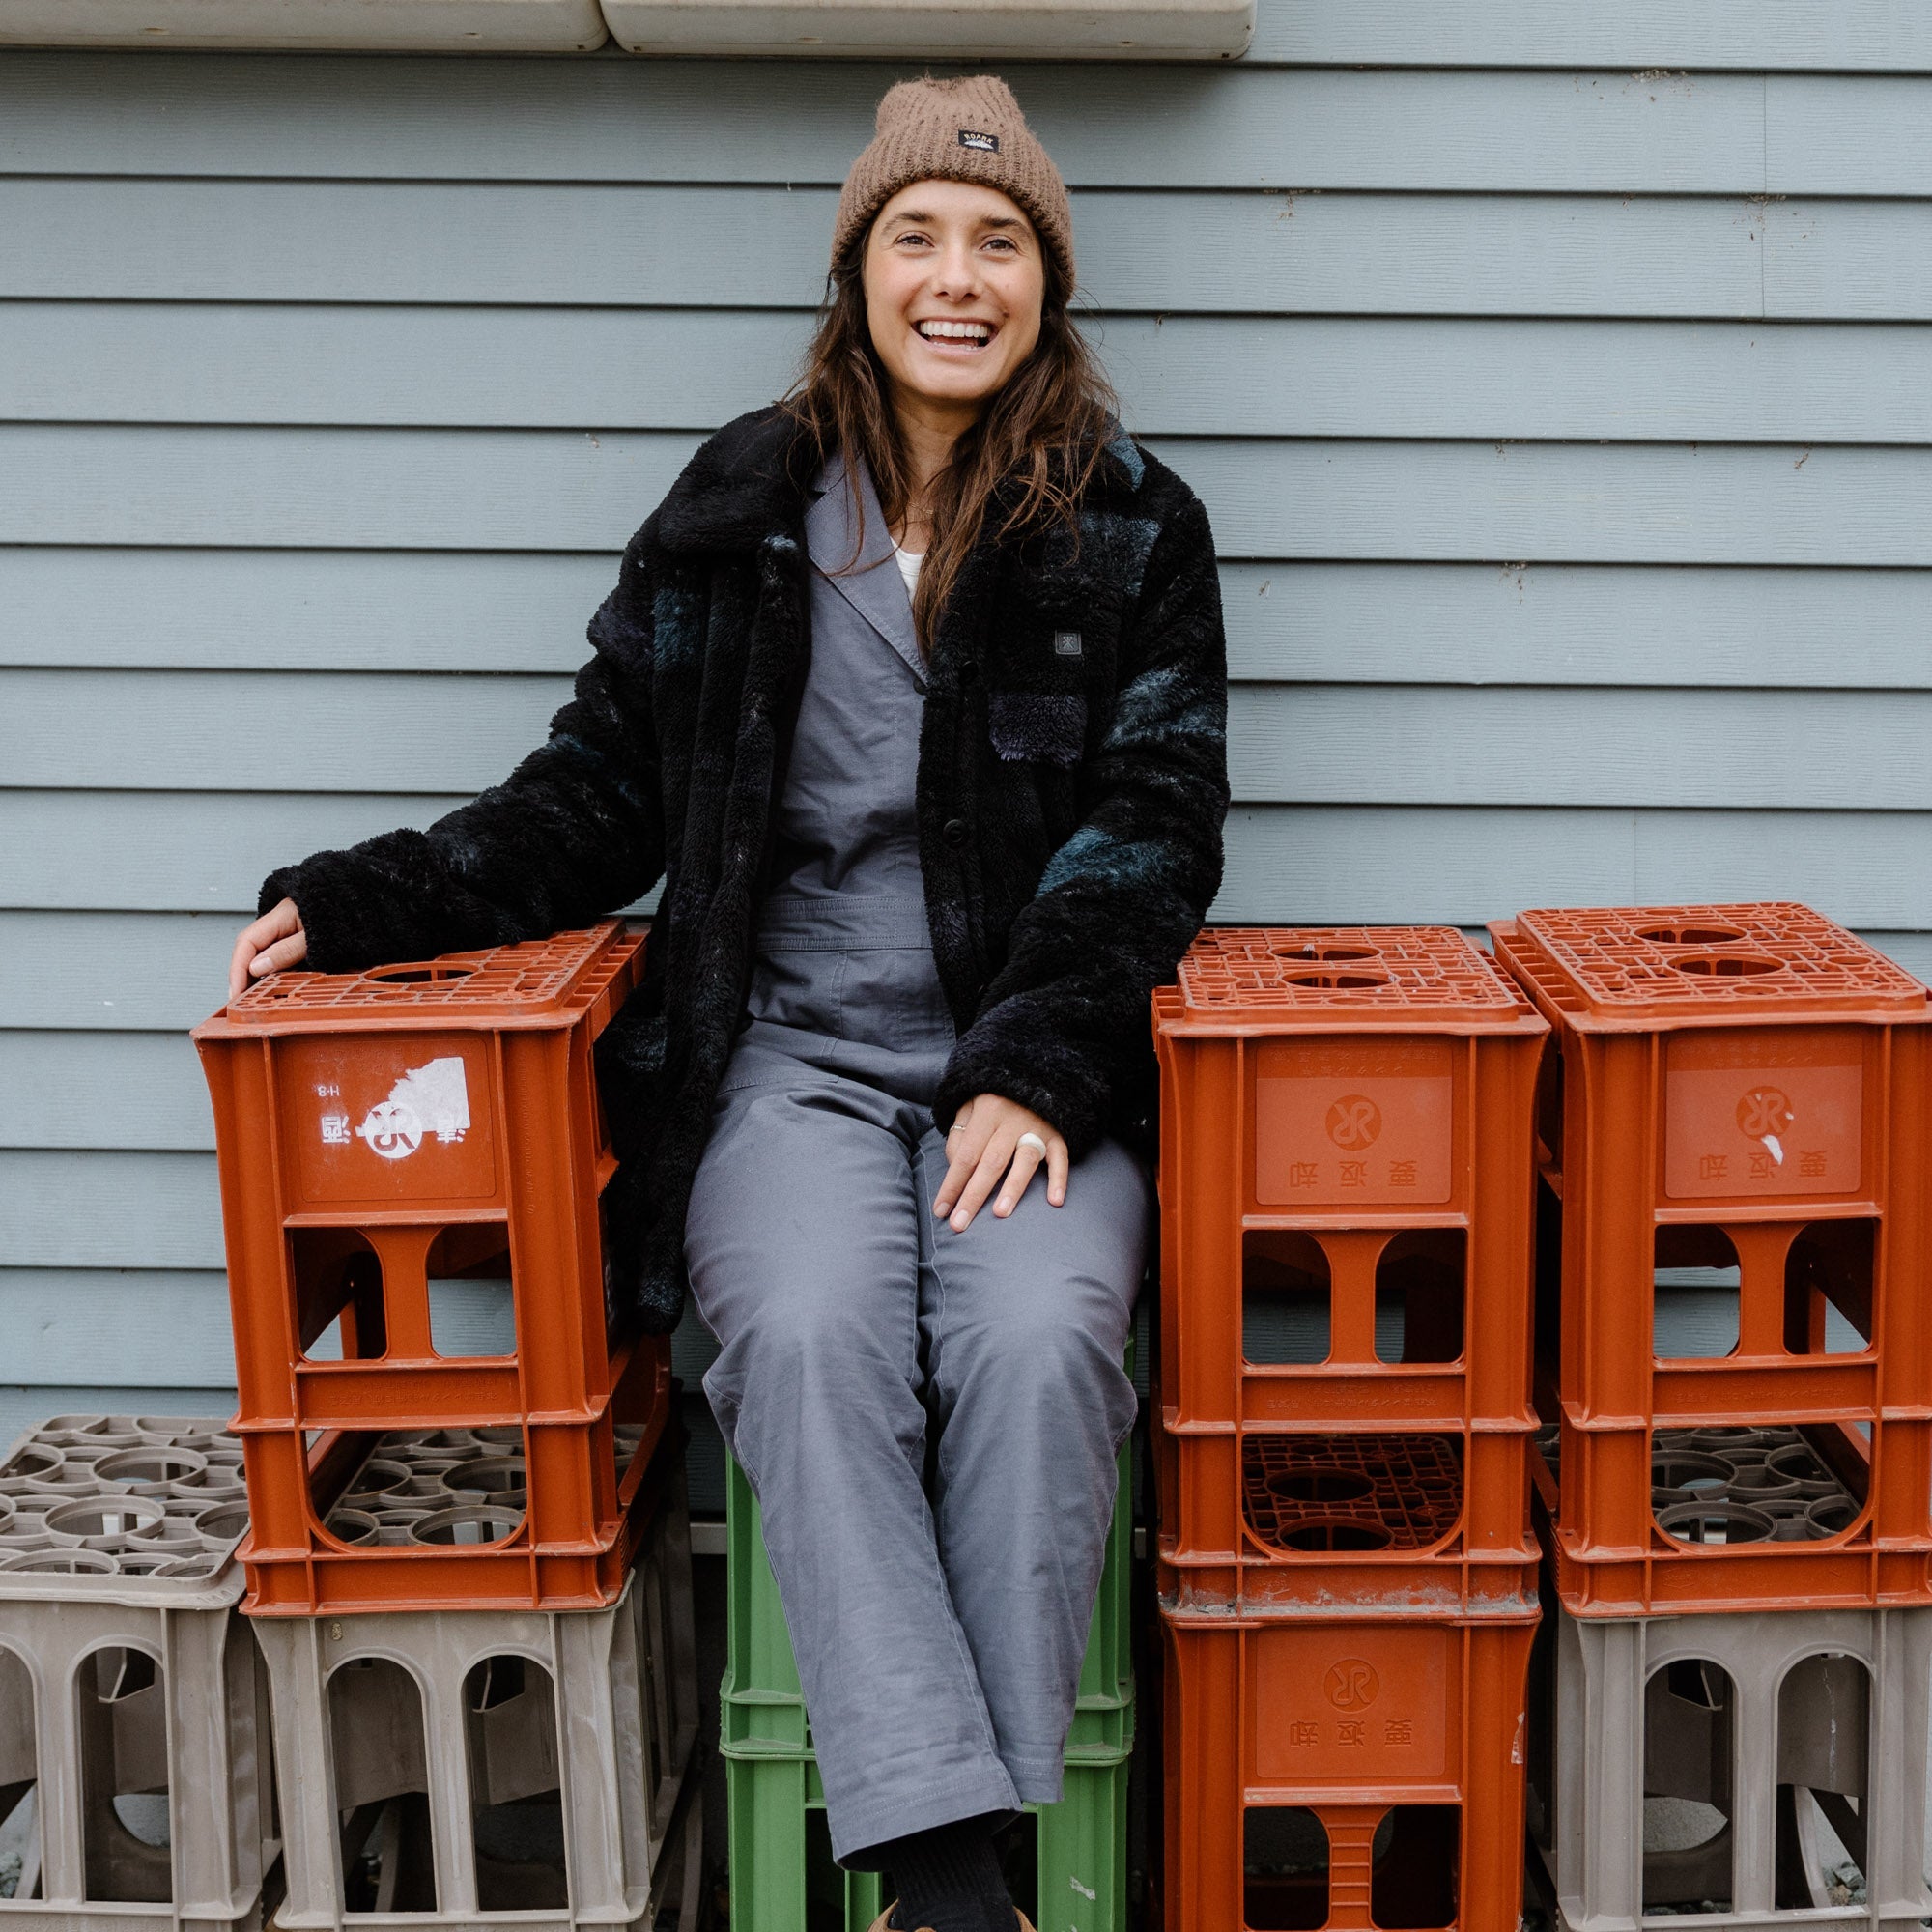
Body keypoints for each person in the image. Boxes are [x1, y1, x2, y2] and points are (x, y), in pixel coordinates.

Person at [229, 72, 1228, 1932]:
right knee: (809, 1331)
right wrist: (365, 898)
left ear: (1047, 287)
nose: (957, 278)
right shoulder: (735, 514)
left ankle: (959, 1864)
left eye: (998, 242)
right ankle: (956, 1880)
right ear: (858, 271)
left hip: (1032, 1067)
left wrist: (1038, 1063)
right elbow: (595, 790)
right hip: (789, 1066)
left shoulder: (1133, 527)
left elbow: (1155, 821)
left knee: (1040, 1341)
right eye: (916, 237)